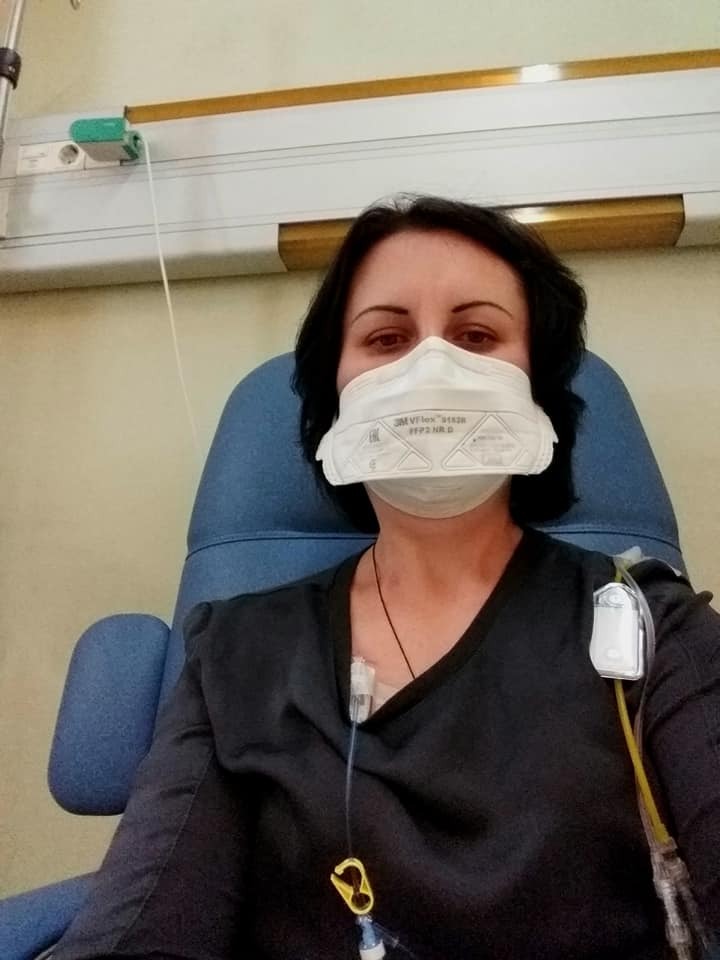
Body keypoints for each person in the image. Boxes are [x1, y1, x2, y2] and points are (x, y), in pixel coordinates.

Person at [52, 197, 719, 960]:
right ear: (335, 396)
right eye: (387, 338)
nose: (430, 368)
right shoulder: (238, 651)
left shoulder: (648, 629)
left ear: (537, 390)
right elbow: (144, 924)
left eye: (477, 336)